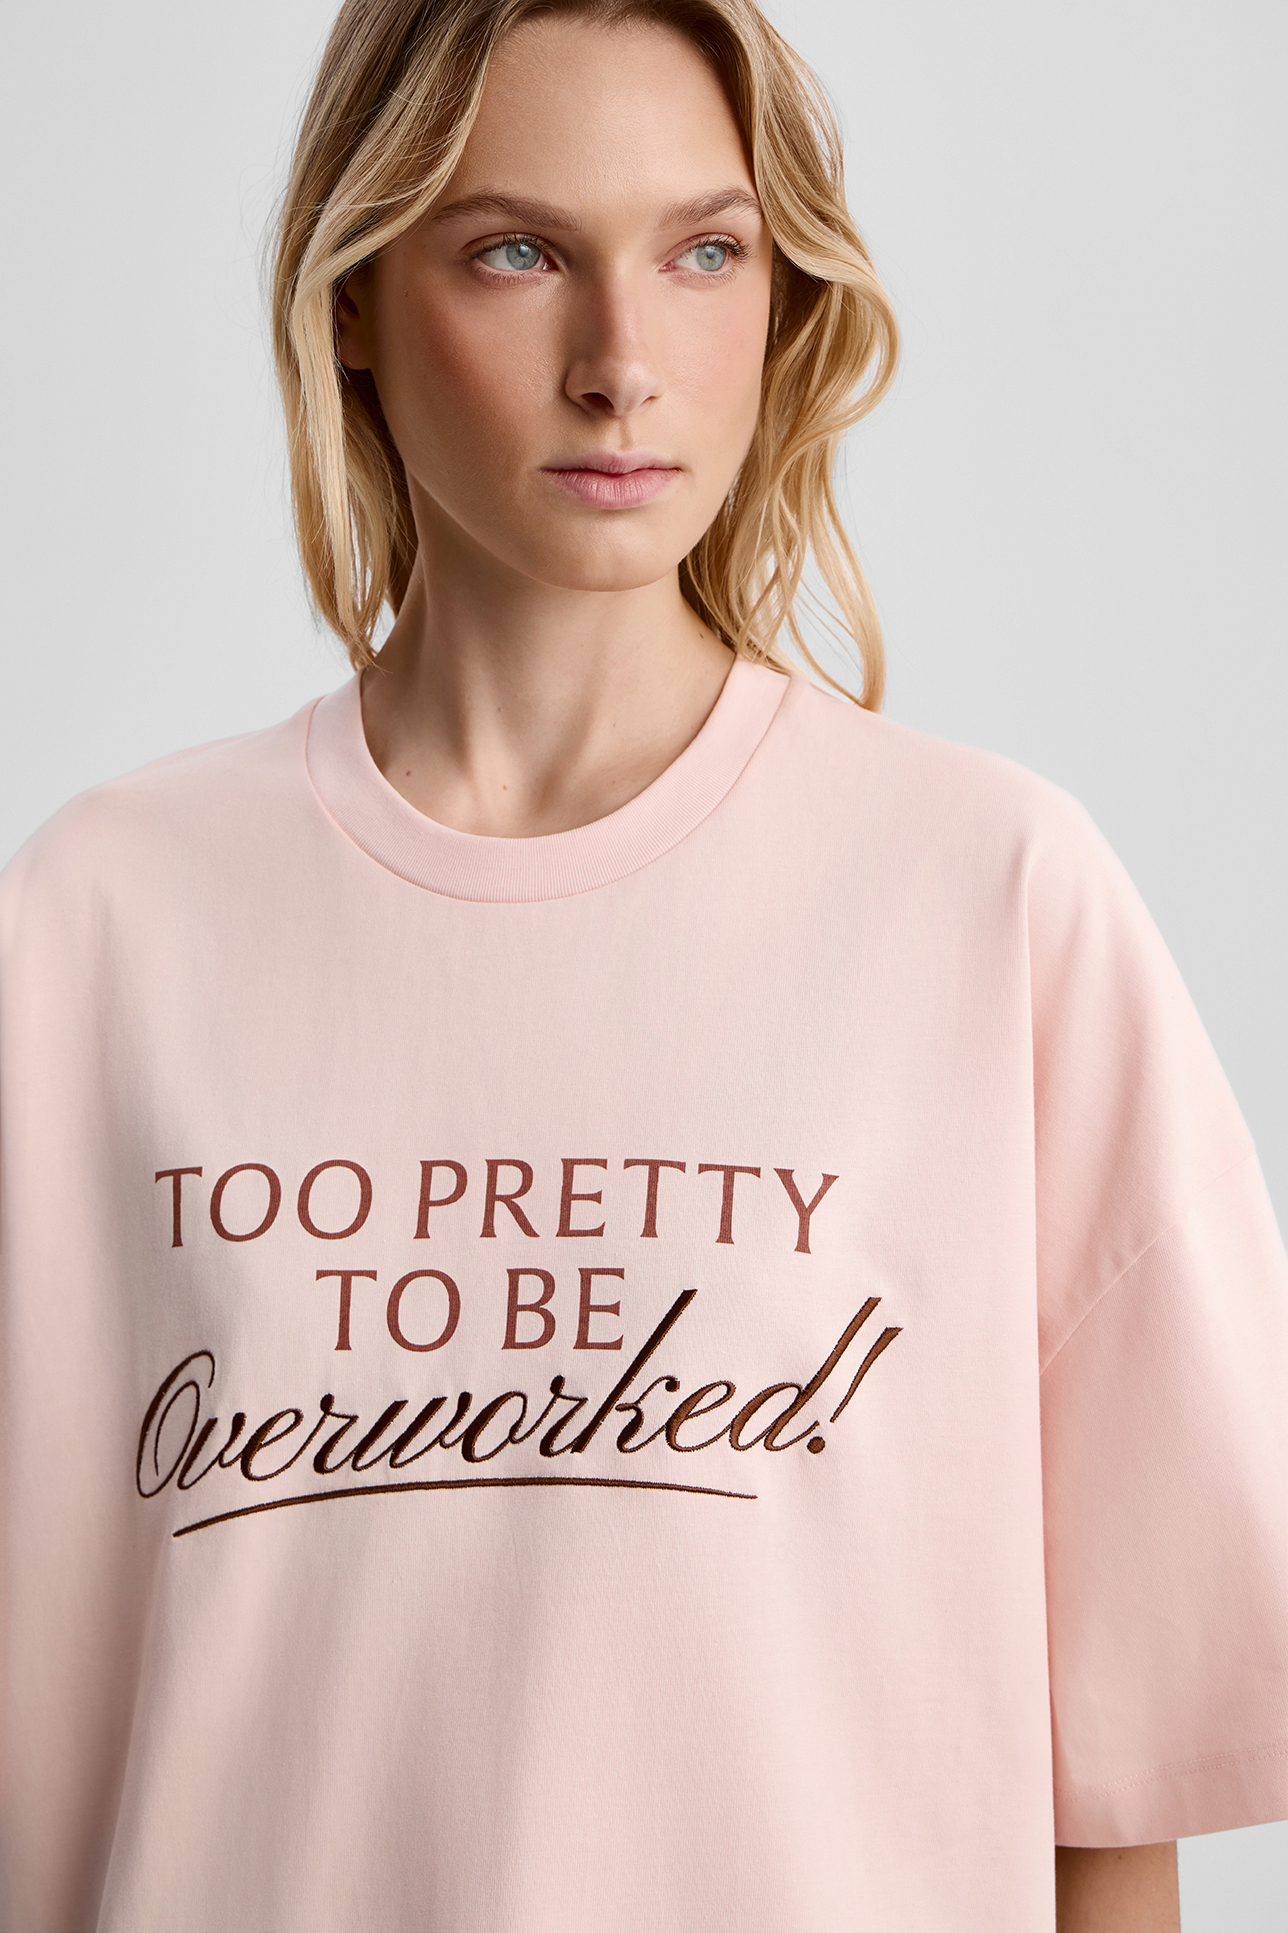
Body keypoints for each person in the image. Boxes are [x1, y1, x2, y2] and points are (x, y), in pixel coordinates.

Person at [1, 0, 1284, 1927]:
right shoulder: (99, 927)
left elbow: (1114, 1811)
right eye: (517, 252)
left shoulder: (993, 899)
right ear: (353, 300)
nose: (621, 365)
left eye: (703, 252)